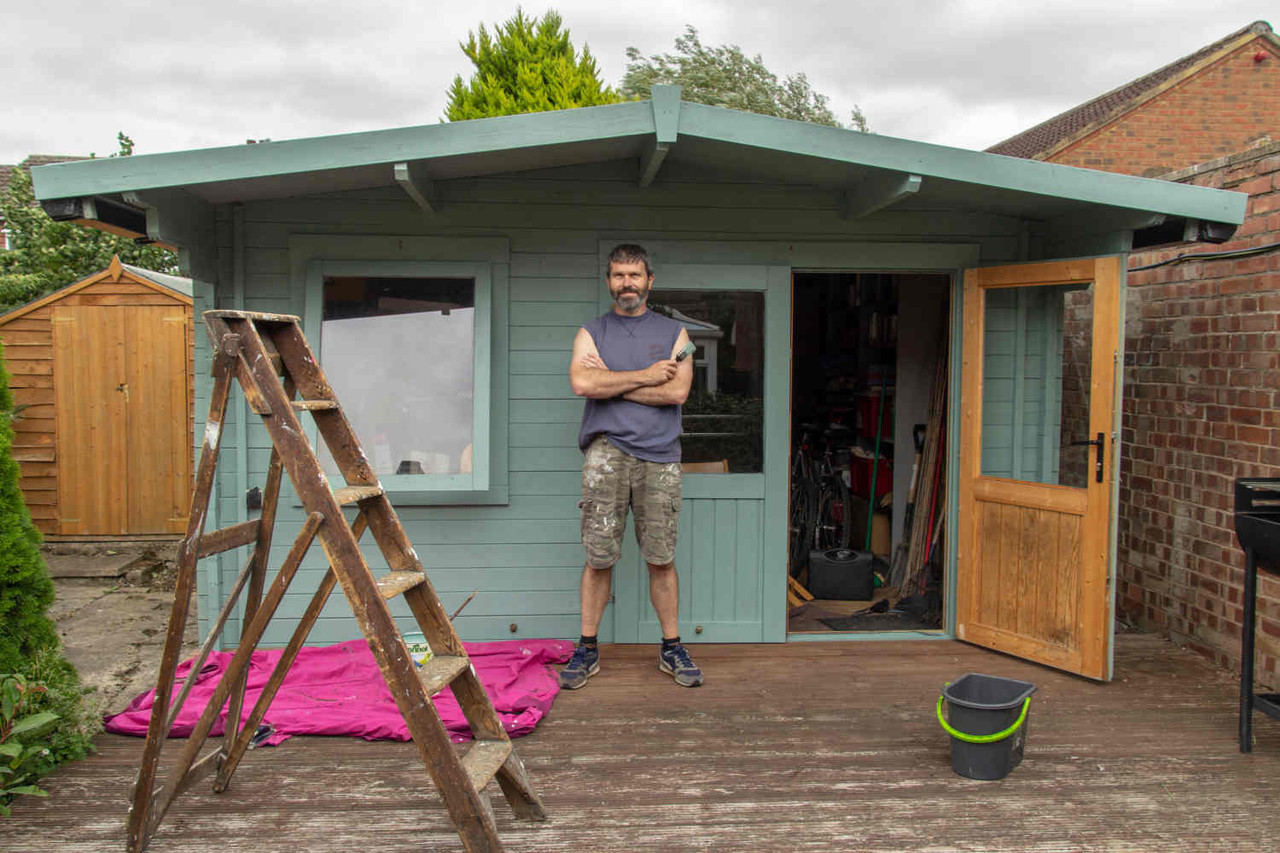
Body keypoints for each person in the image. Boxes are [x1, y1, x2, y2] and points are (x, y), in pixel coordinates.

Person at [560, 243, 703, 689]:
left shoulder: (677, 335)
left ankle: (672, 647)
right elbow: (582, 382)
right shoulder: (592, 331)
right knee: (598, 557)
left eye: (634, 276)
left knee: (661, 557)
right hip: (606, 454)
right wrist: (645, 375)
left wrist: (612, 383)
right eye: (619, 275)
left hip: (661, 455)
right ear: (609, 281)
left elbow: (677, 394)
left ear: (649, 281)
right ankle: (587, 649)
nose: (627, 283)